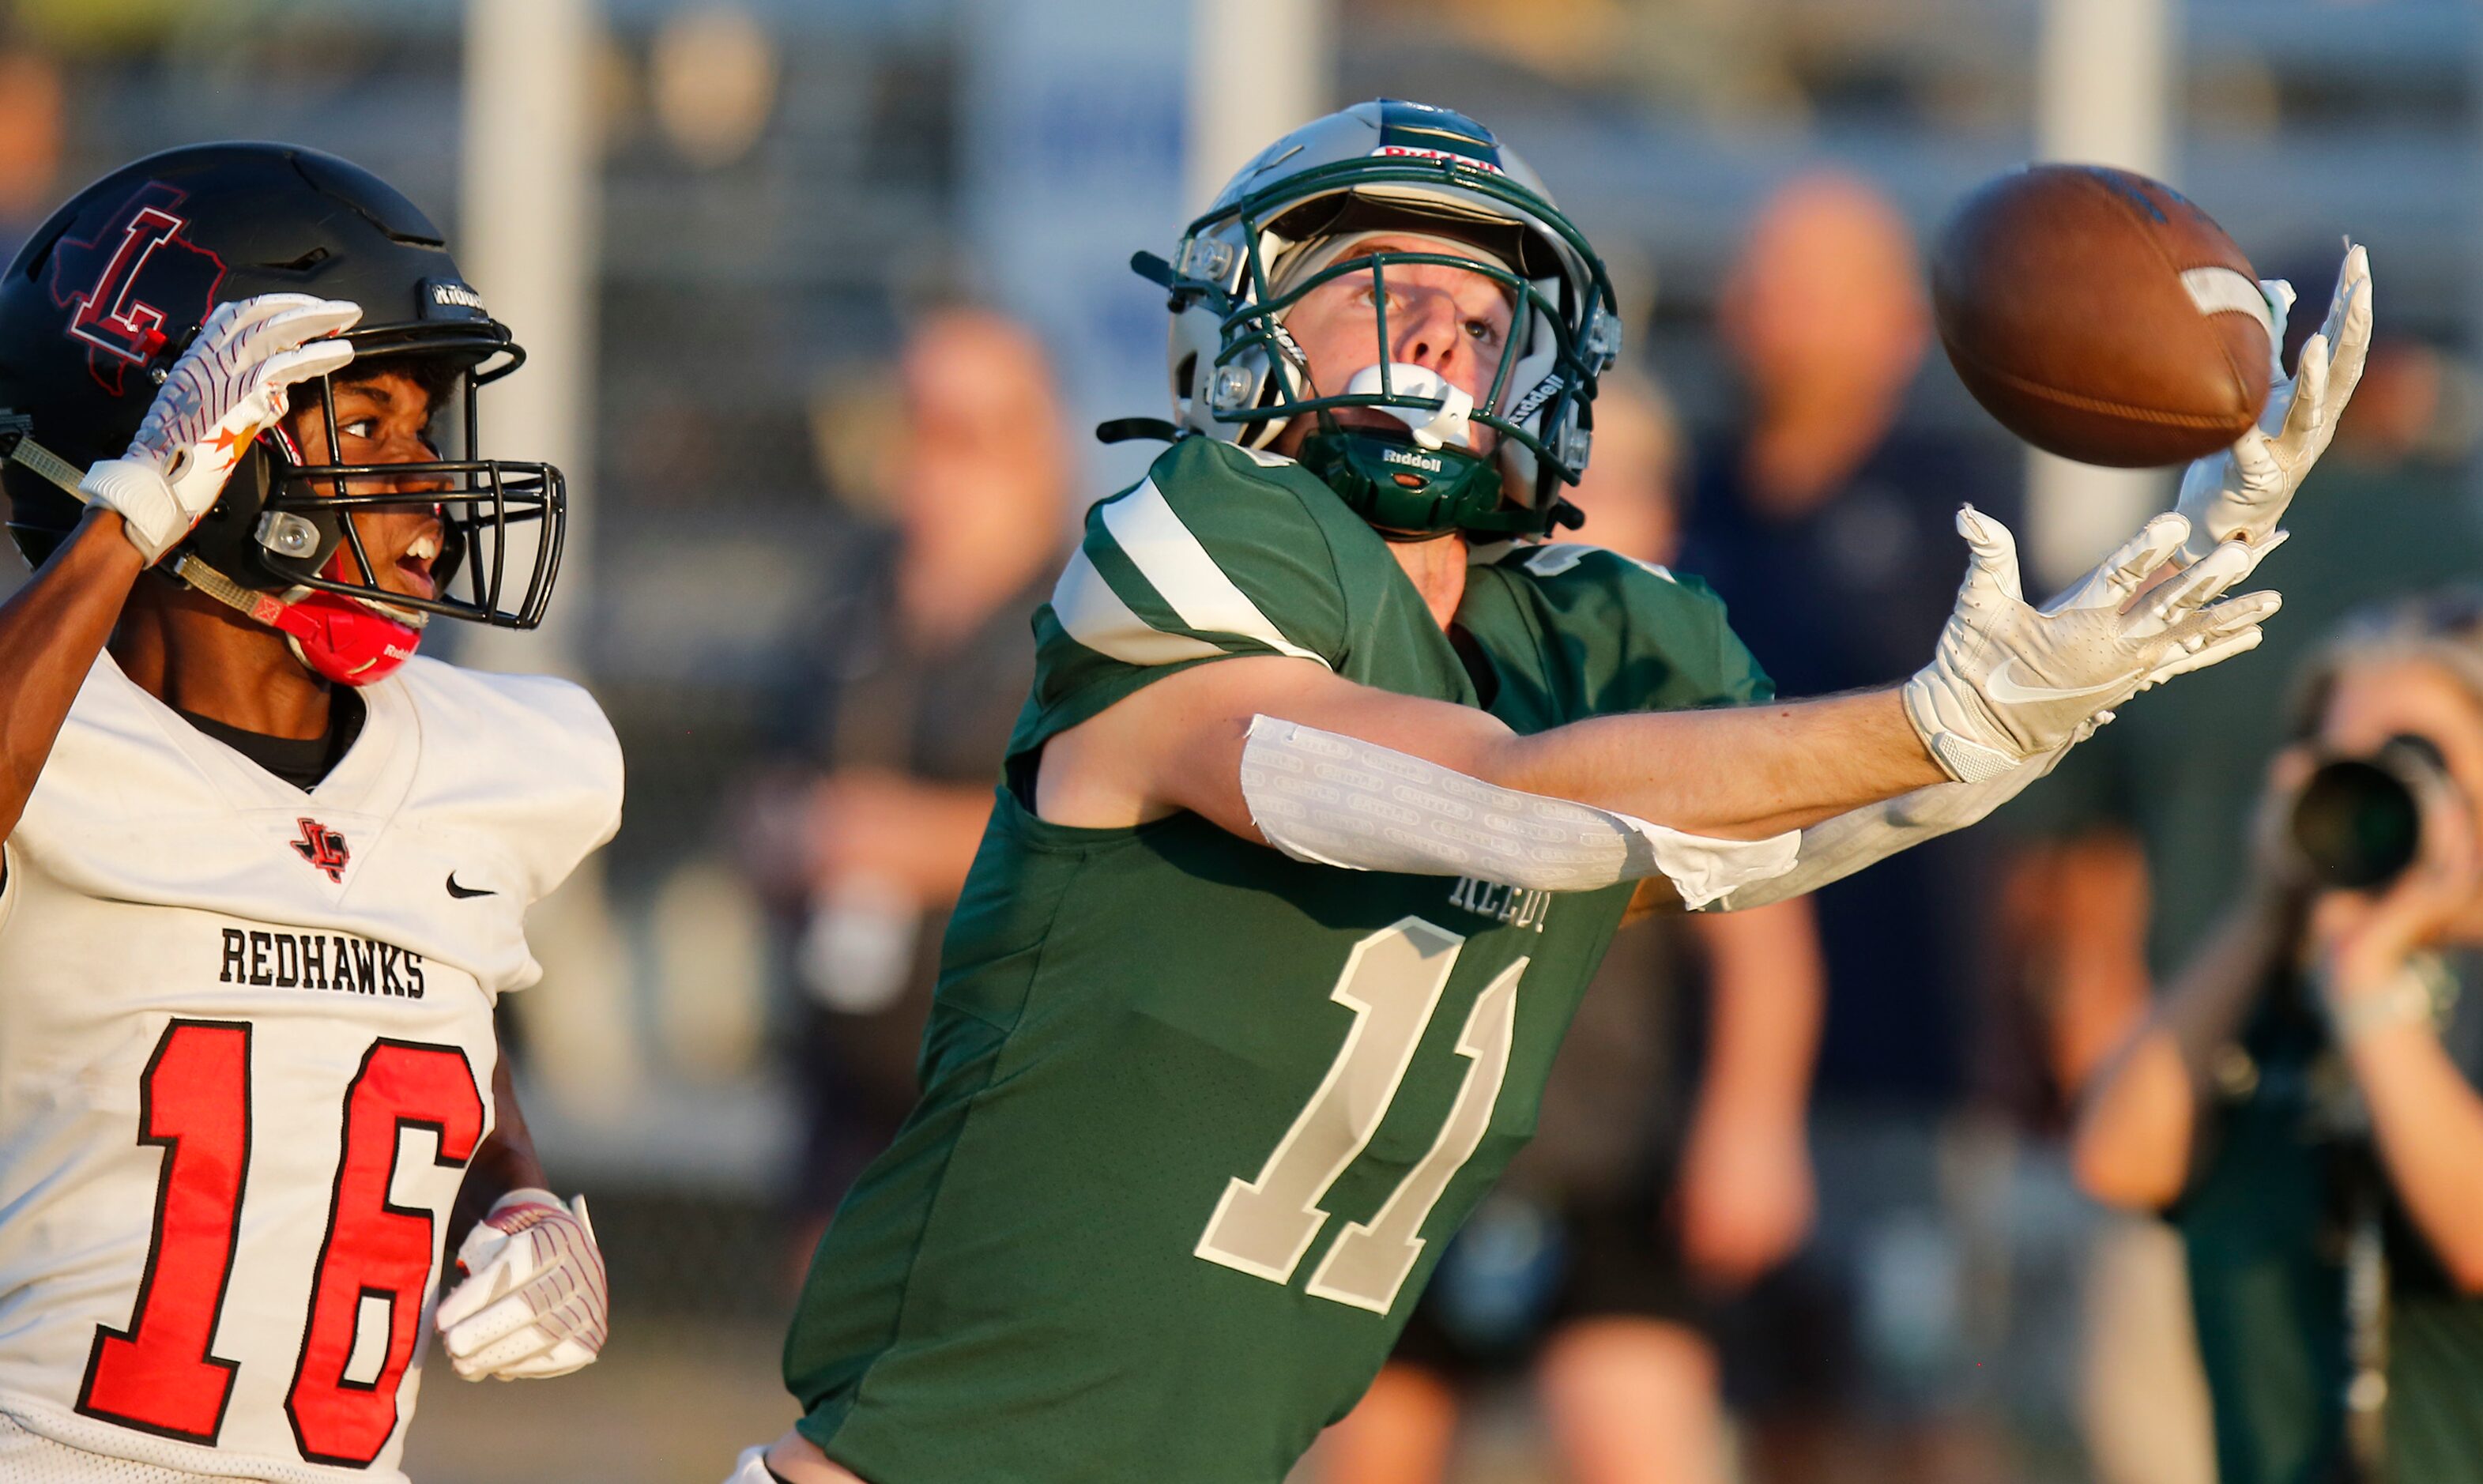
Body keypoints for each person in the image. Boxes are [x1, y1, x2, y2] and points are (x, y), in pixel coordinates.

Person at [731, 100, 2354, 1484]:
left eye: (1483, 308)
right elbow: (1483, 800)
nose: (1442, 327)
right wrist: (1944, 720)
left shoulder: (1590, 631)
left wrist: (2064, 671)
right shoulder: (1201, 549)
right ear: (1247, 330)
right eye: (1380, 290)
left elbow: (1763, 834)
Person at [0, 144, 617, 1482]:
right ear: (187, 425)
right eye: (366, 422)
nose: (429, 483)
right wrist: (131, 519)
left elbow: (400, 1019)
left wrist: (507, 1185)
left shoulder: (478, 762)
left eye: (427, 424)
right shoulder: (45, 738)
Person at [1317, 372, 1828, 1484]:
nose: (1572, 513)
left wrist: (1749, 1124)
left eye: (1609, 487)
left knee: (1637, 1434)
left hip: (1604, 1149)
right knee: (1368, 1445)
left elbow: (1762, 940)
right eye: (1546, 487)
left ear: (1666, 511)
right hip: (1407, 1142)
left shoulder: (1666, 678)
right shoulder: (1437, 654)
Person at [1676, 169, 2034, 1481]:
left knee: (1921, 1405)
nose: (1774, 309)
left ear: (1895, 321)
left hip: (1910, 1049)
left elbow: (2034, 790)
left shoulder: (1966, 512)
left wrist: (2025, 1009)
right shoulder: (1686, 505)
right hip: (1709, 1051)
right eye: (1763, 276)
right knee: (1774, 1408)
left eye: (1815, 283)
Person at [2074, 590, 2483, 1484]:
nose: (2376, 786)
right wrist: (2263, 913)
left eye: (2414, 758)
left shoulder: (2380, 993)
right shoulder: (2271, 997)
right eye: (2336, 761)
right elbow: (2117, 1161)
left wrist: (2371, 987)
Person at [758, 308, 1072, 1260]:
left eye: (964, 433)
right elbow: (761, 781)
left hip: (1018, 1074)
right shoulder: (851, 596)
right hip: (854, 1056)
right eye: (916, 424)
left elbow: (1109, 826)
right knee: (832, 1349)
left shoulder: (1086, 616)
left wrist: (916, 840)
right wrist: (795, 836)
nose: (932, 462)